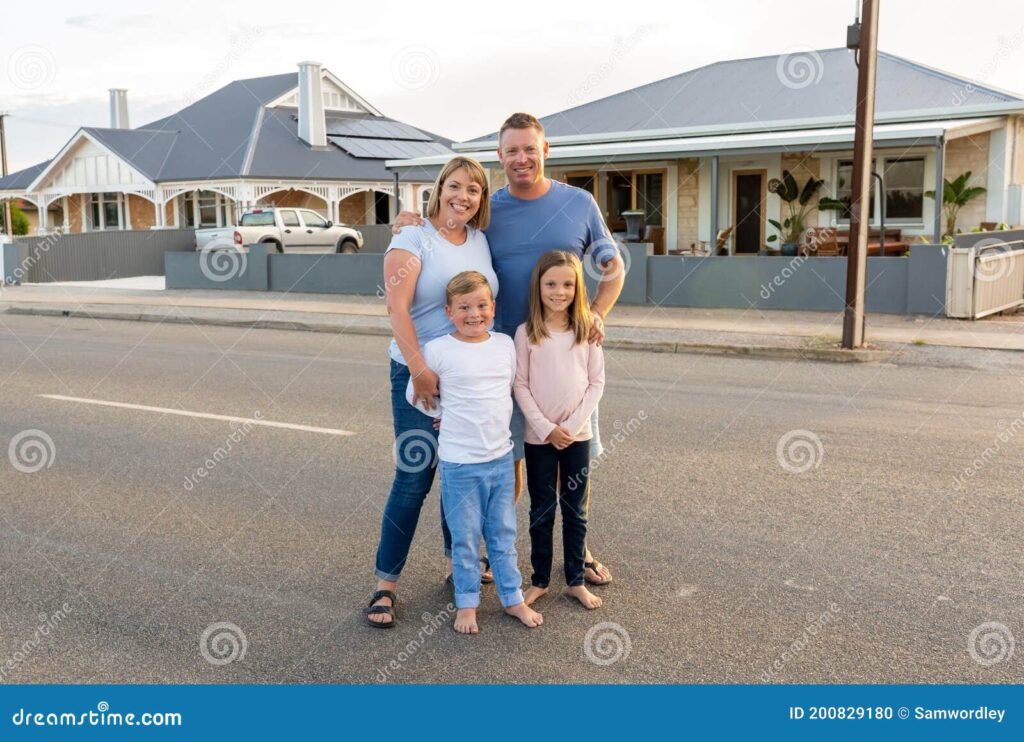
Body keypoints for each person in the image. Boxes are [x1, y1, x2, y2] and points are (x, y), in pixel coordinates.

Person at [392, 112, 624, 587]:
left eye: (529, 149)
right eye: (511, 150)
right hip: (503, 361)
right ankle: (507, 551)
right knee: (510, 460)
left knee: (571, 456)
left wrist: (597, 313)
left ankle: (578, 551)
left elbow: (612, 265)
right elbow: (448, 228)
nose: (521, 158)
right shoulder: (487, 212)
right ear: (500, 156)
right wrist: (409, 220)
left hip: (566, 359)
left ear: (545, 151)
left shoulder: (579, 203)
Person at [365, 157, 497, 629]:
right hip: (418, 375)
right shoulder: (413, 236)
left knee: (460, 476)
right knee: (414, 477)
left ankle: (455, 565)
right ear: (439, 189)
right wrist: (420, 370)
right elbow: (396, 309)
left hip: (465, 378)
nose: (463, 196)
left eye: (474, 190)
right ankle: (386, 585)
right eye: (455, 186)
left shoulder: (481, 241)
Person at [412, 271, 543, 634]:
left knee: (503, 533)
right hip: (459, 463)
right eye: (465, 307)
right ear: (448, 311)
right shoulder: (438, 349)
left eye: (482, 305)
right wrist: (440, 414)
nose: (475, 313)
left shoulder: (503, 345)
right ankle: (467, 602)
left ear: (493, 307)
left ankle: (512, 597)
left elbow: (513, 388)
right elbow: (417, 393)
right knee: (466, 538)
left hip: (500, 459)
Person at [513, 252, 605, 609]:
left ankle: (575, 580)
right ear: (538, 287)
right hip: (539, 439)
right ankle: (539, 580)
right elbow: (520, 385)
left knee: (575, 509)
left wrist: (570, 426)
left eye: (568, 284)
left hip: (576, 437)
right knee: (541, 510)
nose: (559, 291)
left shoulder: (586, 329)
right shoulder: (527, 332)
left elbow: (596, 383)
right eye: (551, 284)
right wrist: (547, 428)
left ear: (577, 287)